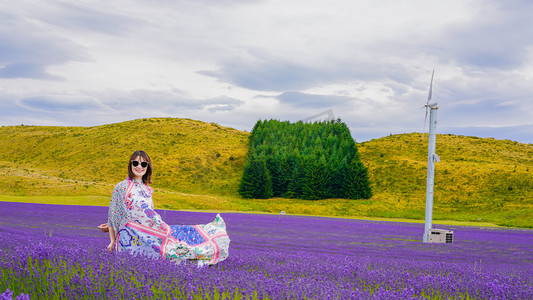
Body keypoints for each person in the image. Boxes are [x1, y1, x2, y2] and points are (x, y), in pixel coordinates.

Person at [98, 150, 230, 266]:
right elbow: (113, 215)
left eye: (143, 164)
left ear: (147, 167)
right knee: (158, 259)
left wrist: (162, 227)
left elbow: (149, 214)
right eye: (135, 163)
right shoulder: (121, 187)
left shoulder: (148, 189)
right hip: (131, 236)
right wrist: (112, 241)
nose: (139, 167)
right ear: (130, 165)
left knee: (181, 242)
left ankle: (210, 246)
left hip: (150, 232)